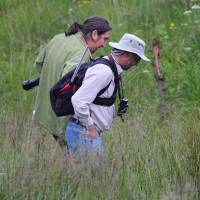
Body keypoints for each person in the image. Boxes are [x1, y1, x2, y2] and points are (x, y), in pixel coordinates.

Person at [32, 16, 112, 148]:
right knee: (76, 163)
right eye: (104, 39)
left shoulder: (59, 38)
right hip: (62, 118)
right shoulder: (82, 54)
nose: (104, 45)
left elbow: (39, 65)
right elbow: (69, 88)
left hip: (46, 111)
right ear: (94, 34)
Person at [66, 33, 150, 158]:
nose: (136, 64)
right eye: (136, 59)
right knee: (92, 175)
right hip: (83, 132)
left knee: (90, 175)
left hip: (83, 131)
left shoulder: (110, 68)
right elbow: (78, 100)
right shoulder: (104, 71)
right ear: (127, 54)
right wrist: (91, 128)